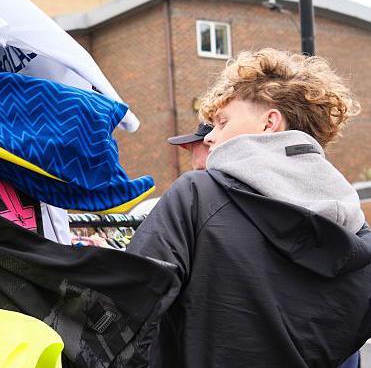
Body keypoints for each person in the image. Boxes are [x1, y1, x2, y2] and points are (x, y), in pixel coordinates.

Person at [127, 49, 370, 367]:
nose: (210, 137)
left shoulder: (196, 196)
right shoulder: (358, 233)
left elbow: (125, 308)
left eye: (221, 122)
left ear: (270, 122)